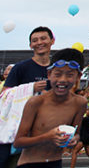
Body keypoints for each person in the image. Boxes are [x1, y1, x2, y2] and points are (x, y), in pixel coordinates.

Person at [13, 48, 87, 168]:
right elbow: (18, 142)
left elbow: (76, 133)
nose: (62, 80)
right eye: (57, 74)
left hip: (55, 162)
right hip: (30, 163)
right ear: (49, 74)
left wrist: (74, 140)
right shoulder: (36, 102)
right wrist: (47, 137)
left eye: (70, 75)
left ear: (78, 76)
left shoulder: (80, 103)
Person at [1, 27, 55, 168]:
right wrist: (30, 89)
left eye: (43, 38)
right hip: (19, 131)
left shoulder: (57, 70)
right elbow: (4, 95)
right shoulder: (20, 68)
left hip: (46, 130)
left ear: (52, 41)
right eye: (34, 40)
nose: (39, 42)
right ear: (30, 45)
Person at [71, 104, 89, 168]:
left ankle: (72, 167)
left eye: (88, 110)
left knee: (74, 151)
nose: (86, 111)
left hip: (83, 138)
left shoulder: (86, 119)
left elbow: (79, 119)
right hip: (88, 138)